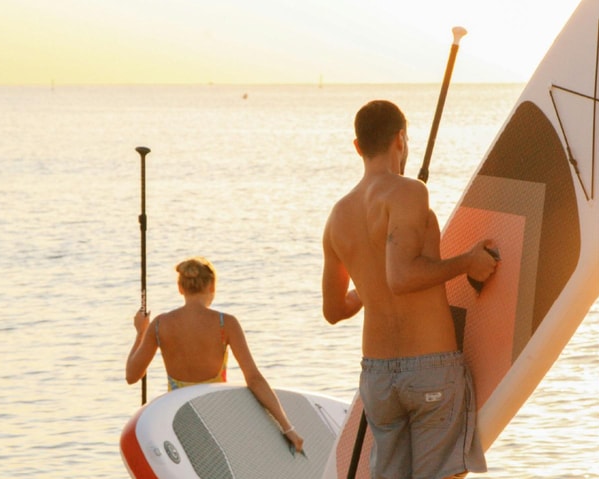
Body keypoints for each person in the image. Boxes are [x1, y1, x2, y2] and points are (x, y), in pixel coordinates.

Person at [321, 100, 497, 479]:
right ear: (400, 139)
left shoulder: (337, 215)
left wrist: (367, 288)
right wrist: (467, 262)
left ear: (357, 146)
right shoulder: (408, 191)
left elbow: (334, 309)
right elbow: (401, 277)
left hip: (378, 379)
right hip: (429, 367)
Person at [126, 256, 303, 453]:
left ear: (180, 288)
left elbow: (132, 376)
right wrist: (288, 427)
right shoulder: (225, 324)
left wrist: (141, 332)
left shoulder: (159, 325)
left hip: (179, 422)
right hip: (217, 419)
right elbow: (254, 379)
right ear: (211, 286)